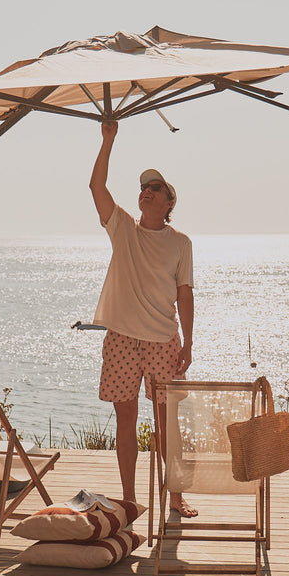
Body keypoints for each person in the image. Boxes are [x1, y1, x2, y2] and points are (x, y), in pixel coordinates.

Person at [88, 120, 197, 518]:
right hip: (121, 338)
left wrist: (188, 342)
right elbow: (97, 188)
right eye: (144, 188)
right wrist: (108, 139)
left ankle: (174, 495)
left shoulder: (180, 243)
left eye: (157, 189)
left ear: (169, 202)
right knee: (125, 418)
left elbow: (184, 293)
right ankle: (130, 497)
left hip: (163, 340)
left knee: (167, 423)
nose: (148, 191)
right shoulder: (122, 228)